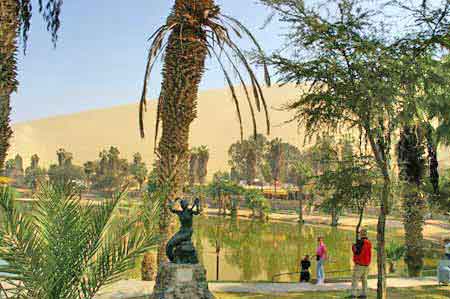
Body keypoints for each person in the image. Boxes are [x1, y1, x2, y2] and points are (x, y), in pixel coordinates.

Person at [349, 228, 372, 299]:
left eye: (360, 233)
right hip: (367, 264)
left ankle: (353, 294)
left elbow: (357, 252)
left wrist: (353, 246)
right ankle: (364, 294)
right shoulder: (369, 242)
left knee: (355, 279)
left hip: (360, 264)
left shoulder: (361, 242)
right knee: (364, 280)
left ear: (361, 234)